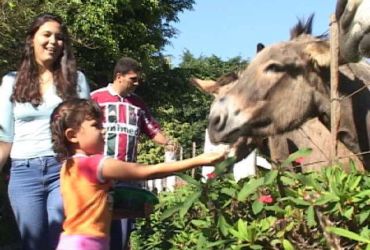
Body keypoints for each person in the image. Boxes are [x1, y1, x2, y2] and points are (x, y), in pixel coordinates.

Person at [50, 98, 226, 250]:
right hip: (87, 245)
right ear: (72, 136)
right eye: (96, 125)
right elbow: (146, 172)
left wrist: (133, 212)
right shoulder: (94, 164)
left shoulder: (68, 166)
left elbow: (93, 213)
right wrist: (200, 160)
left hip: (74, 241)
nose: (104, 131)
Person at [0, 13, 90, 250]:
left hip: (64, 169)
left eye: (59, 37)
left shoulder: (76, 81)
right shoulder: (11, 81)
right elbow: (5, 137)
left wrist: (97, 173)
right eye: (47, 35)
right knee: (33, 243)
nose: (53, 42)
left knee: (62, 239)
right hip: (23, 174)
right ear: (31, 39)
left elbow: (88, 132)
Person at [91, 56, 176, 249]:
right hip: (100, 176)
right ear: (119, 76)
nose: (137, 83)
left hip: (128, 177)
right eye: (133, 79)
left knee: (122, 233)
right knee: (96, 229)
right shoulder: (95, 98)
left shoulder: (138, 104)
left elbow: (152, 130)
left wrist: (168, 143)